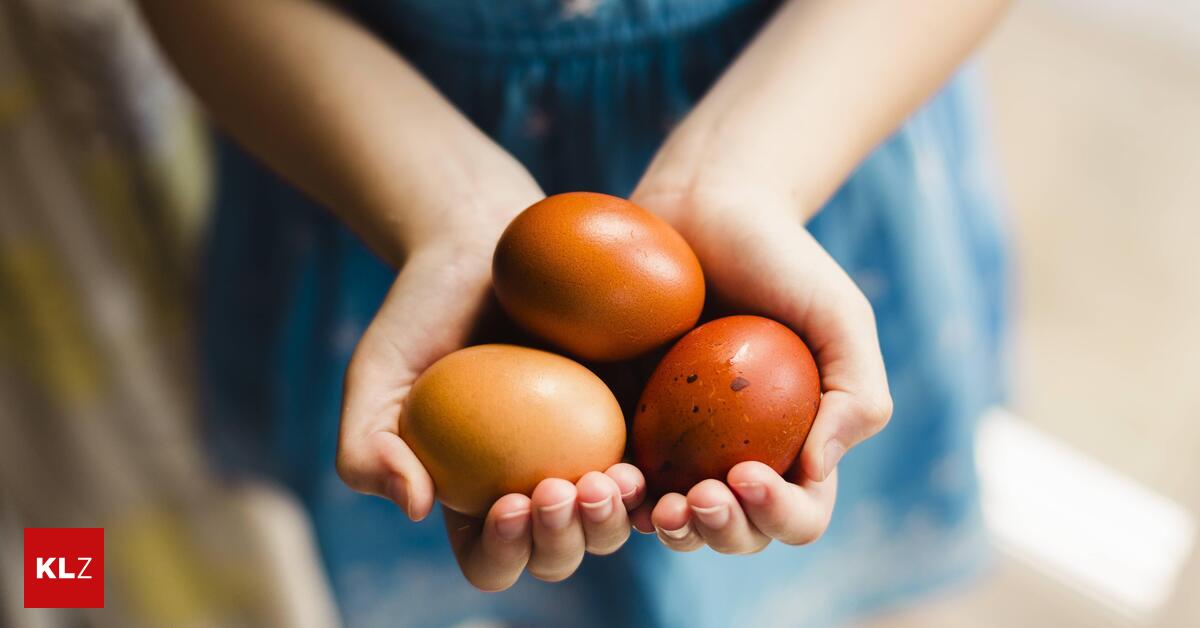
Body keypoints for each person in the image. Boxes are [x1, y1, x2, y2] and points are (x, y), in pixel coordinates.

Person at [140, 0, 1010, 625]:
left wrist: (740, 178)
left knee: (835, 586)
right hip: (375, 168)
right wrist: (443, 206)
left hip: (812, 128)